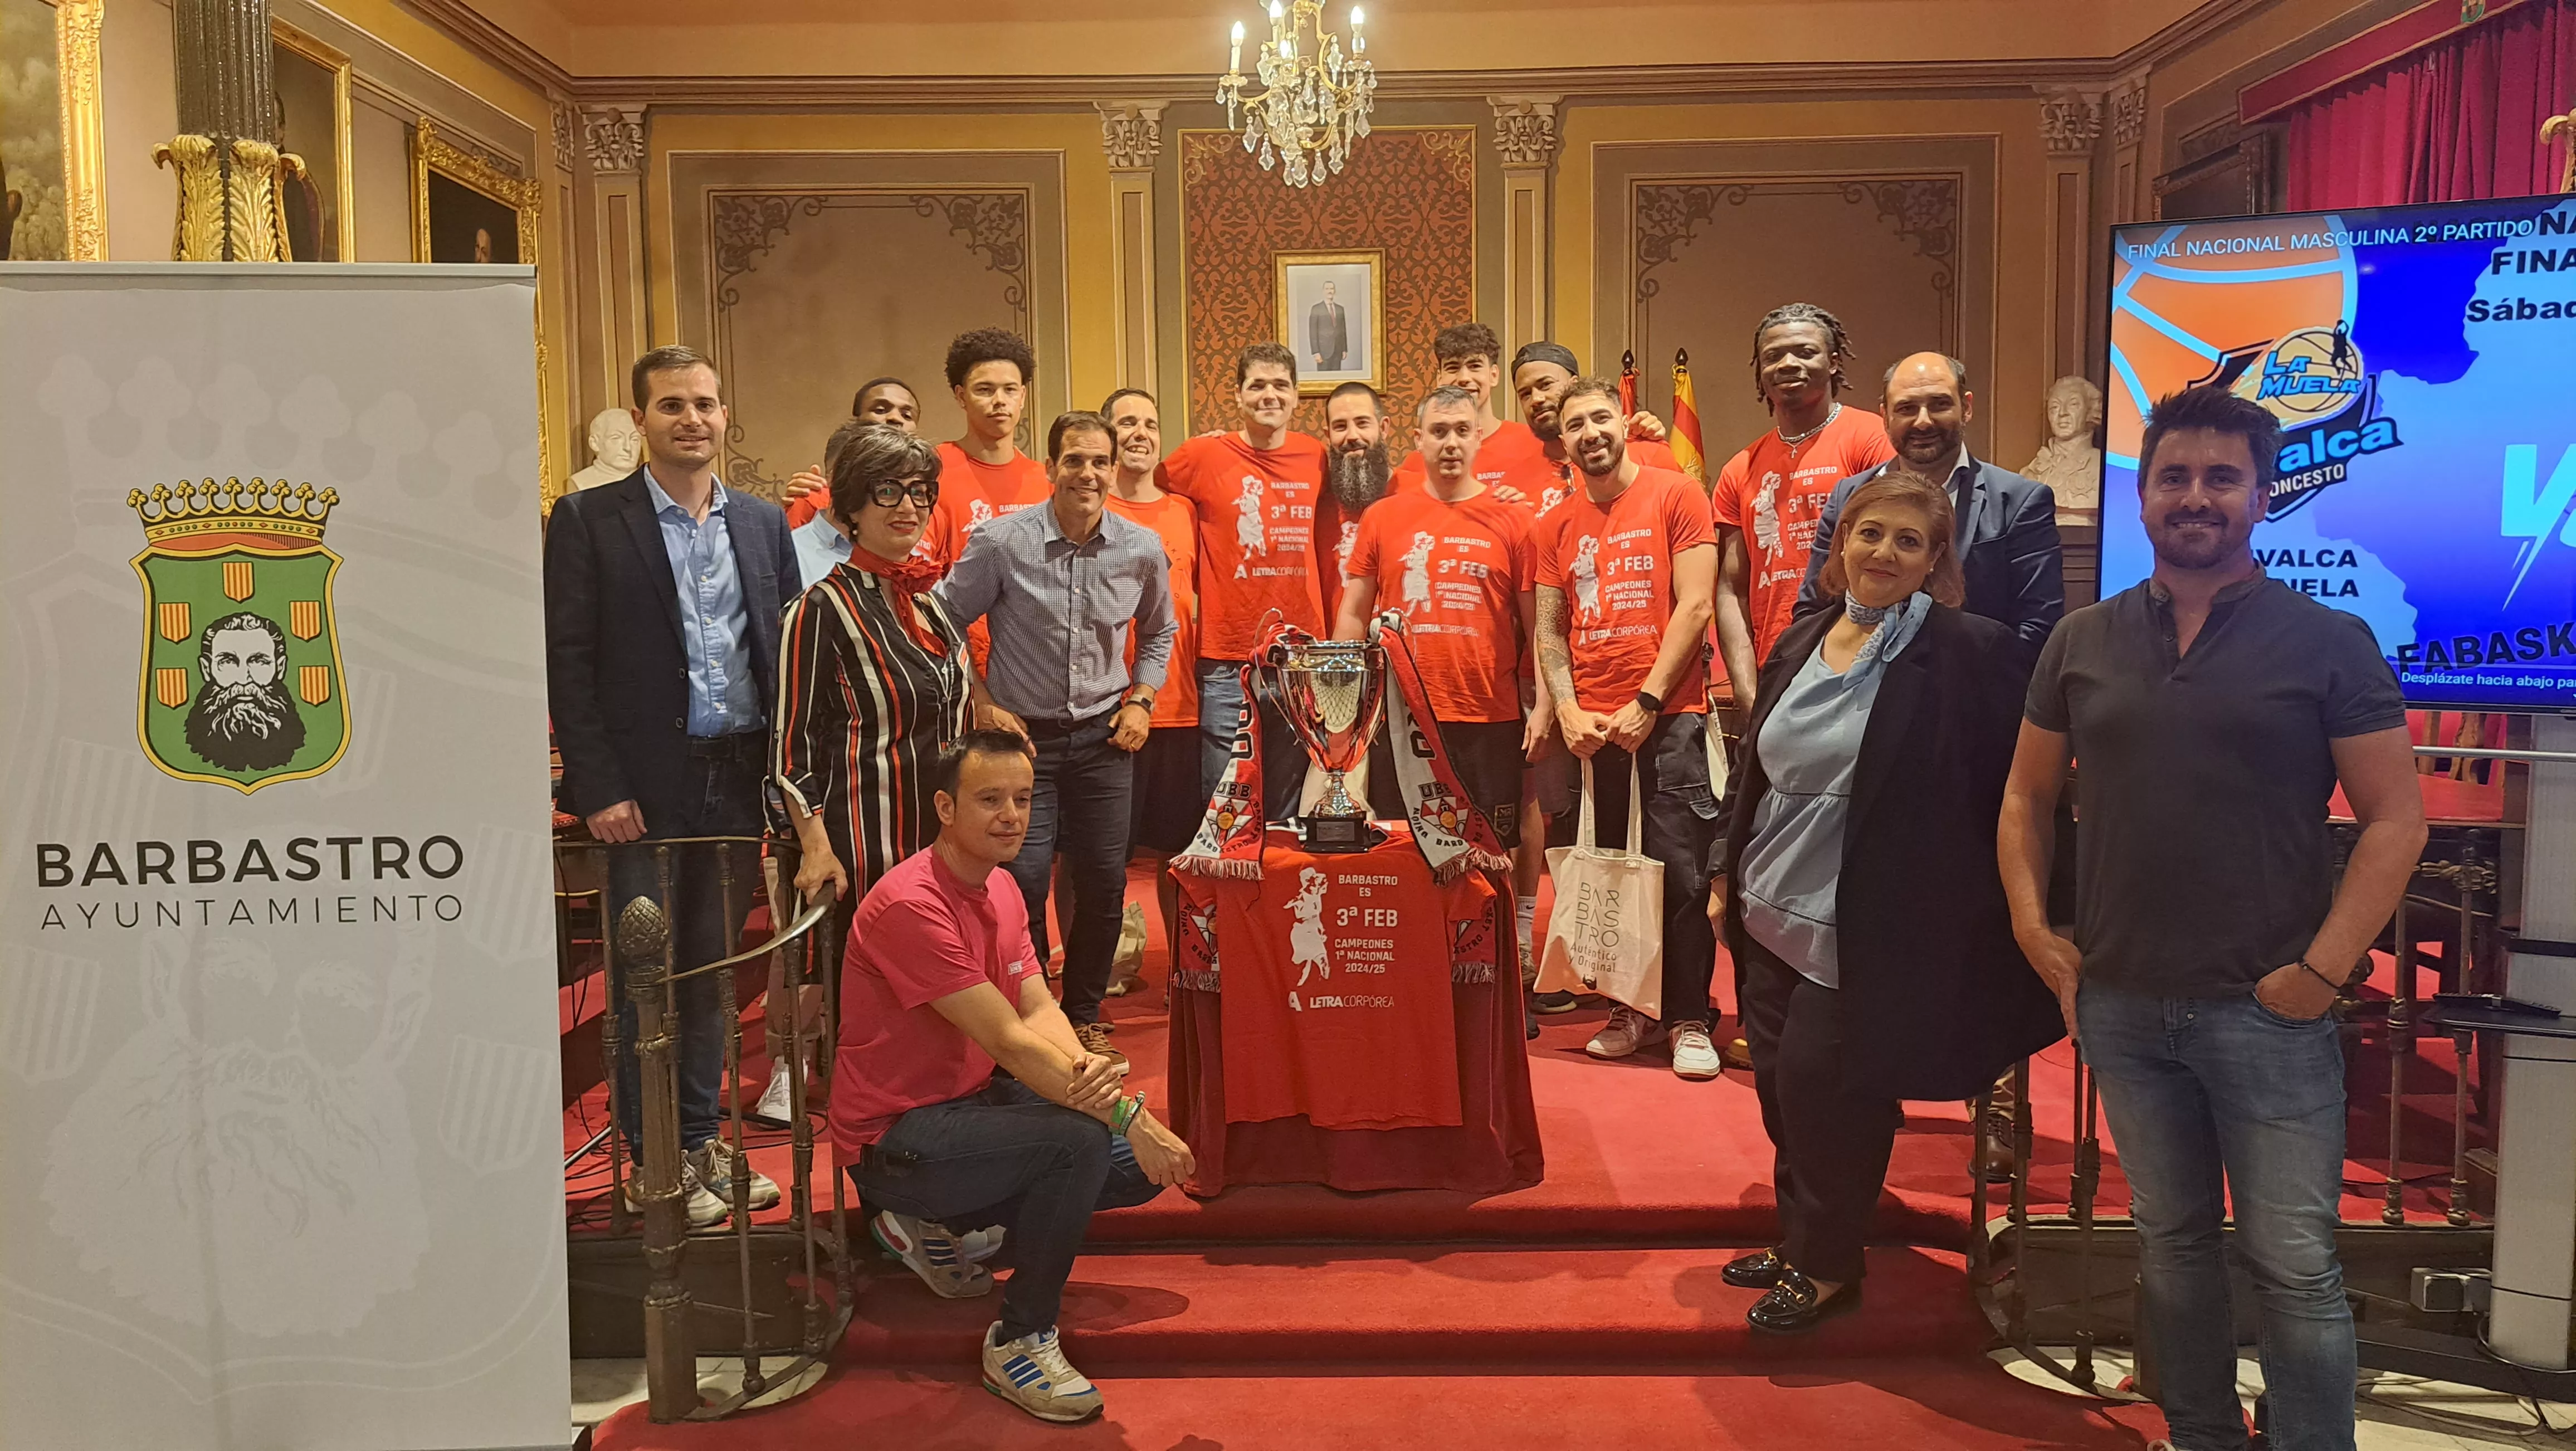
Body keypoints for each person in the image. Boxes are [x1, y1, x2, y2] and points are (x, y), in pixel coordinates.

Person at [1999, 384, 2423, 1451]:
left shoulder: (2327, 640)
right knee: (2171, 1245)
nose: (2195, 496)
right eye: (2174, 476)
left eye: (2220, 478)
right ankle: (2200, 1435)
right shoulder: (2080, 639)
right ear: (2141, 495)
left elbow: (2394, 820)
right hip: (2122, 1004)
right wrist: (2033, 930)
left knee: (2293, 1264)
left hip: (2268, 1010)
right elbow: (2023, 798)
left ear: (2260, 496)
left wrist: (2319, 973)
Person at [1716, 470, 2062, 1335]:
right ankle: (1800, 1237)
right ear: (1842, 543)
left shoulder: (1970, 651)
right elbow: (1755, 767)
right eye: (1871, 533)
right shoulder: (1802, 636)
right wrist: (1724, 874)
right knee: (1779, 1089)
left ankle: (1830, 1263)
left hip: (1868, 924)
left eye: (1910, 541)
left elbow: (2012, 791)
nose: (1885, 553)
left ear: (1935, 560)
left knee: (1828, 1091)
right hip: (1769, 905)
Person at [837, 731, 1194, 1425]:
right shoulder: (912, 904)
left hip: (971, 1104)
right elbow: (1006, 1039)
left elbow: (1037, 1010)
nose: (1011, 816)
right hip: (896, 1136)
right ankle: (1020, 1338)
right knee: (1081, 1144)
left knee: (1136, 1167)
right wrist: (1126, 1115)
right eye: (990, 800)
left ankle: (942, 1222)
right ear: (945, 807)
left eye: (1023, 799)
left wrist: (1102, 1092)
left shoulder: (998, 883)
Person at [545, 344, 794, 1226]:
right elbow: (568, 662)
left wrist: (787, 784)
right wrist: (598, 785)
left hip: (737, 781)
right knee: (645, 977)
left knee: (712, 976)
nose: (693, 419)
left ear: (726, 415)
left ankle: (695, 1141)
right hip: (640, 794)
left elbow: (785, 658)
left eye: (706, 404)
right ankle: (651, 1157)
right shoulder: (588, 519)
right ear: (640, 420)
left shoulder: (763, 524)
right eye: (673, 405)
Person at [936, 411, 1176, 1064]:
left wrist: (1143, 700)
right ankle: (1031, 1014)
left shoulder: (1141, 547)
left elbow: (1160, 631)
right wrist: (981, 700)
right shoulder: (1001, 542)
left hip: (1105, 740)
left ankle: (1084, 1014)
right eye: (1074, 460)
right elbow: (943, 619)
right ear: (1050, 468)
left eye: (1099, 461)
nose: (1087, 474)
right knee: (1022, 881)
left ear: (1114, 470)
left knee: (1102, 883)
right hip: (1021, 749)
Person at [758, 424, 973, 1126]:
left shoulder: (933, 605)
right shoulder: (817, 609)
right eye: (887, 491)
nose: (907, 506)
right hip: (864, 848)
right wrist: (815, 847)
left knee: (940, 1008)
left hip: (940, 846)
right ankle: (871, 1151)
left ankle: (936, 1137)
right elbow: (790, 750)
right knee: (869, 1011)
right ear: (850, 506)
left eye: (920, 492)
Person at [1531, 377, 1724, 1079]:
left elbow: (1696, 605)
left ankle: (1688, 1017)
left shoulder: (1677, 494)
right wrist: (1567, 708)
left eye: (1599, 418)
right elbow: (1550, 630)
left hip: (1668, 719)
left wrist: (1647, 701)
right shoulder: (1552, 525)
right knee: (1611, 880)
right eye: (1574, 425)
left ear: (1622, 422)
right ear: (1562, 443)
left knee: (1680, 876)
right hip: (1595, 730)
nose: (1590, 433)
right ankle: (1628, 1011)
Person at [1335, 386, 1538, 856]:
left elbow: (1537, 625)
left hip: (1488, 714)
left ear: (1478, 438)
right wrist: (1344, 701)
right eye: (1439, 431)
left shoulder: (1516, 519)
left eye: (1462, 431)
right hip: (1400, 718)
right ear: (1418, 439)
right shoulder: (1381, 517)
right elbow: (1354, 612)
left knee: (1489, 855)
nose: (1451, 443)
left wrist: (1545, 704)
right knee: (1403, 852)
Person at [1156, 342, 1329, 819]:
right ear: (1237, 395)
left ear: (1296, 396)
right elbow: (1143, 489)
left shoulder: (1317, 456)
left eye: (1280, 385)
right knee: (1225, 803)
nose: (1269, 395)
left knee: (1288, 805)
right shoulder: (1203, 454)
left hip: (1300, 658)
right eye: (1257, 385)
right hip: (1227, 659)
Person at [1792, 353, 2063, 654]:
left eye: (1939, 404)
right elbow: (1813, 609)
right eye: (1906, 408)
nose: (1923, 421)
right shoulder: (1848, 495)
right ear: (1885, 416)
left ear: (1966, 408)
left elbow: (2038, 627)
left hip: (1973, 679)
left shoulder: (2020, 501)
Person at [1711, 304, 1897, 711]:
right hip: (1777, 665)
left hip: (1860, 662)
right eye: (1773, 356)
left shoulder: (1872, 440)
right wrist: (1746, 688)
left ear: (1833, 363)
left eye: (1805, 352)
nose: (1787, 364)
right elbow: (1731, 588)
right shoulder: (1739, 469)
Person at [1101, 388, 1201, 976]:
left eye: (1150, 423)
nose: (1140, 433)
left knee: (1176, 851)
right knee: (1097, 853)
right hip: (1108, 707)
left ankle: (1182, 968)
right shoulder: (1092, 507)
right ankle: (1098, 965)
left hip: (1180, 707)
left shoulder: (1184, 511)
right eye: (1126, 423)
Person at [929, 330, 1052, 571]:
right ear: (961, 397)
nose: (1000, 400)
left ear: (1023, 397)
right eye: (985, 390)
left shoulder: (1046, 480)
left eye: (1010, 390)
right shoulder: (933, 469)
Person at [783, 377, 924, 528]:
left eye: (907, 415)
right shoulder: (815, 499)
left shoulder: (923, 507)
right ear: (857, 421)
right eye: (880, 410)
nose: (895, 418)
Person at [1309, 280, 1350, 371]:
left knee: (1337, 377)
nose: (1330, 291)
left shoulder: (1340, 309)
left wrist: (1344, 349)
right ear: (1323, 291)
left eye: (1332, 289)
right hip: (1323, 353)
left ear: (1334, 291)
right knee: (1323, 378)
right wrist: (1316, 352)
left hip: (1337, 351)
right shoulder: (1316, 309)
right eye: (1327, 289)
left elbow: (1343, 330)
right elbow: (1313, 332)